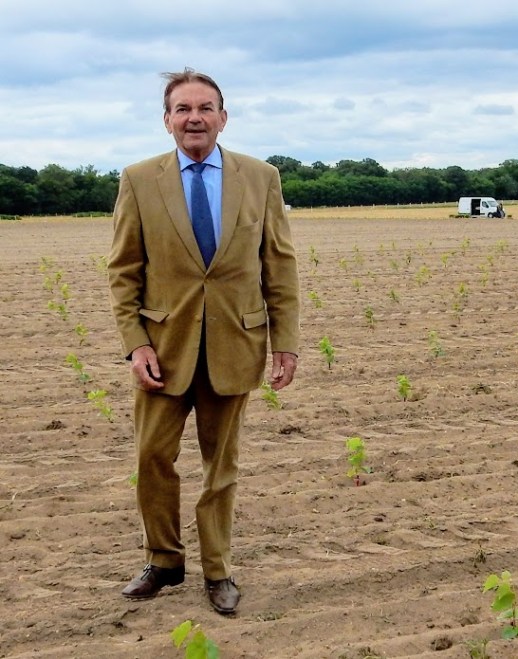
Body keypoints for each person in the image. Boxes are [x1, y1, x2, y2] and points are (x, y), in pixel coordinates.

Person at [108, 68, 300, 615]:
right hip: (163, 350)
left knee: (222, 466)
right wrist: (135, 344)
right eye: (183, 108)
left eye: (205, 107)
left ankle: (218, 569)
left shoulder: (261, 177)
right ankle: (163, 560)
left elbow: (278, 266)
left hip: (235, 345)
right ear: (166, 120)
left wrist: (285, 341)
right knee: (152, 459)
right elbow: (123, 271)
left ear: (223, 116)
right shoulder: (139, 180)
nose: (195, 117)